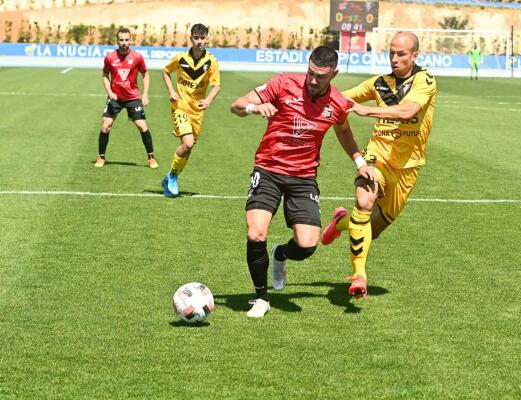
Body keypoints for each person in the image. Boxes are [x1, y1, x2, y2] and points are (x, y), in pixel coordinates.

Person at [230, 46, 375, 318]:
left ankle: (281, 254)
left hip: (304, 177)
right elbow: (235, 105)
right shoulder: (283, 83)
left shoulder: (338, 103)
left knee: (307, 245)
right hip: (269, 169)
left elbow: (344, 132)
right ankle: (261, 298)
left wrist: (360, 161)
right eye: (310, 72)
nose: (312, 79)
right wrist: (253, 107)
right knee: (255, 233)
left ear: (334, 74)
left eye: (320, 76)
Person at [321, 31, 437, 299]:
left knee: (370, 231)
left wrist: (367, 110)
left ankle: (340, 223)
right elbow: (340, 98)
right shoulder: (379, 83)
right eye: (391, 53)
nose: (394, 59)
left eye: (401, 54)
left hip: (408, 167)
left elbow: (408, 110)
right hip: (376, 157)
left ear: (415, 56)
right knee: (363, 202)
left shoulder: (425, 80)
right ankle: (359, 275)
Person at [161, 23, 221, 197]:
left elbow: (216, 85)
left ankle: (171, 177)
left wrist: (208, 99)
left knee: (188, 148)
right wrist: (171, 91)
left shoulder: (211, 61)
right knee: (187, 144)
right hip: (180, 107)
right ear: (191, 38)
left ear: (208, 39)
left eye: (203, 38)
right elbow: (166, 71)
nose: (199, 42)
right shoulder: (180, 58)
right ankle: (172, 176)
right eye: (196, 38)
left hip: (197, 112)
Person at [95, 27, 158, 168]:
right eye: (121, 40)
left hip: (133, 97)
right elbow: (105, 75)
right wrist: (110, 92)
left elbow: (145, 74)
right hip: (115, 98)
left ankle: (151, 158)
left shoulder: (137, 57)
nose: (124, 42)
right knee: (106, 125)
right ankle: (101, 157)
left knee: (142, 126)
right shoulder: (110, 57)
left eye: (126, 40)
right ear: (117, 41)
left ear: (130, 40)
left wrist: (145, 94)